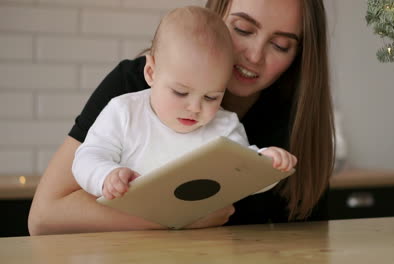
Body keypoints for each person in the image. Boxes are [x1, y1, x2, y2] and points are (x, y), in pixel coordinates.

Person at [28, 0, 335, 235]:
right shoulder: (131, 95)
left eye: (280, 45)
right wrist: (176, 217)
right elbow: (43, 217)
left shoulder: (284, 119)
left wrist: (267, 164)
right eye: (242, 29)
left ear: (299, 55)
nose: (254, 55)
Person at [72, 7, 296, 201]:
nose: (195, 108)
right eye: (180, 92)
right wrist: (106, 176)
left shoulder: (224, 126)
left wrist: (268, 162)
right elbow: (86, 158)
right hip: (128, 240)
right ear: (151, 72)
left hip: (196, 244)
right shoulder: (124, 111)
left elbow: (242, 175)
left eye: (211, 97)